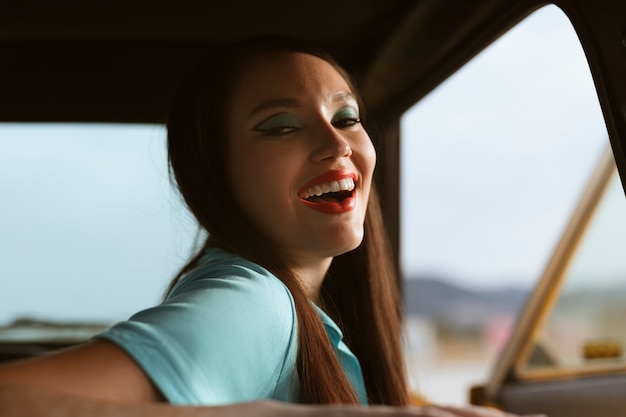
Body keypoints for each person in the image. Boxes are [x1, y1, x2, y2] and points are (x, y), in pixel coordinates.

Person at [0, 37, 534, 417]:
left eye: (346, 117)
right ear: (216, 173)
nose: (336, 144)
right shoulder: (255, 305)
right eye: (280, 126)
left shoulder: (306, 310)